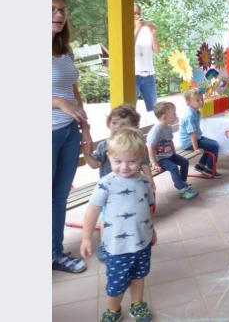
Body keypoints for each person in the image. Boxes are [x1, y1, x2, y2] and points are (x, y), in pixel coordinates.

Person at [80, 128, 156, 322]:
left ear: (141, 159)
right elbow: (92, 210)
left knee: (139, 276)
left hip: (142, 242)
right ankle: (113, 310)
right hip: (117, 247)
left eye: (131, 161)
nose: (124, 167)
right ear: (109, 157)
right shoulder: (106, 183)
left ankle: (137, 304)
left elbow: (146, 208)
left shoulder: (144, 181)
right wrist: (86, 238)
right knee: (116, 283)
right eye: (118, 161)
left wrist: (152, 230)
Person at [82, 103, 154, 262]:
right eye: (114, 123)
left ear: (133, 127)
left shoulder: (136, 146)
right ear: (108, 124)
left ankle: (137, 240)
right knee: (107, 219)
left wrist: (150, 181)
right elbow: (95, 165)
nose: (118, 127)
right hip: (109, 193)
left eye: (124, 124)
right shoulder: (104, 146)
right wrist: (87, 154)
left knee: (134, 214)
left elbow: (145, 164)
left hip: (132, 188)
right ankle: (105, 245)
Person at [52, 0, 92, 274]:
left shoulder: (64, 51)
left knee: (59, 196)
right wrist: (56, 101)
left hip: (69, 132)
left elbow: (74, 91)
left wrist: (86, 128)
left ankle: (54, 253)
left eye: (62, 10)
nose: (59, 15)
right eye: (52, 9)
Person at [148, 101, 198, 200]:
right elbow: (151, 147)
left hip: (170, 155)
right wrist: (154, 162)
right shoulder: (157, 130)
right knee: (174, 167)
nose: (176, 115)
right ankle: (182, 190)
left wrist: (174, 154)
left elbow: (170, 141)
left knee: (184, 161)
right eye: (173, 113)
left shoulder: (169, 127)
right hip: (160, 158)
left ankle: (182, 183)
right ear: (164, 117)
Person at [179, 89, 220, 176]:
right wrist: (196, 148)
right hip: (189, 142)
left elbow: (195, 134)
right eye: (197, 100)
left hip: (195, 138)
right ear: (188, 103)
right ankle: (209, 169)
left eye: (202, 99)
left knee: (214, 144)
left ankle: (200, 166)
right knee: (214, 146)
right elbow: (192, 133)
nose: (201, 101)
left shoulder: (195, 111)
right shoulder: (189, 115)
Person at [134, 3, 160, 113]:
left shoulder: (146, 30)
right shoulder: (125, 29)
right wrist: (137, 29)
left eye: (138, 13)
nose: (136, 16)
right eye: (133, 13)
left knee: (154, 110)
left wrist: (153, 33)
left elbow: (157, 50)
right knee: (130, 110)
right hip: (133, 75)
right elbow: (126, 49)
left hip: (149, 74)